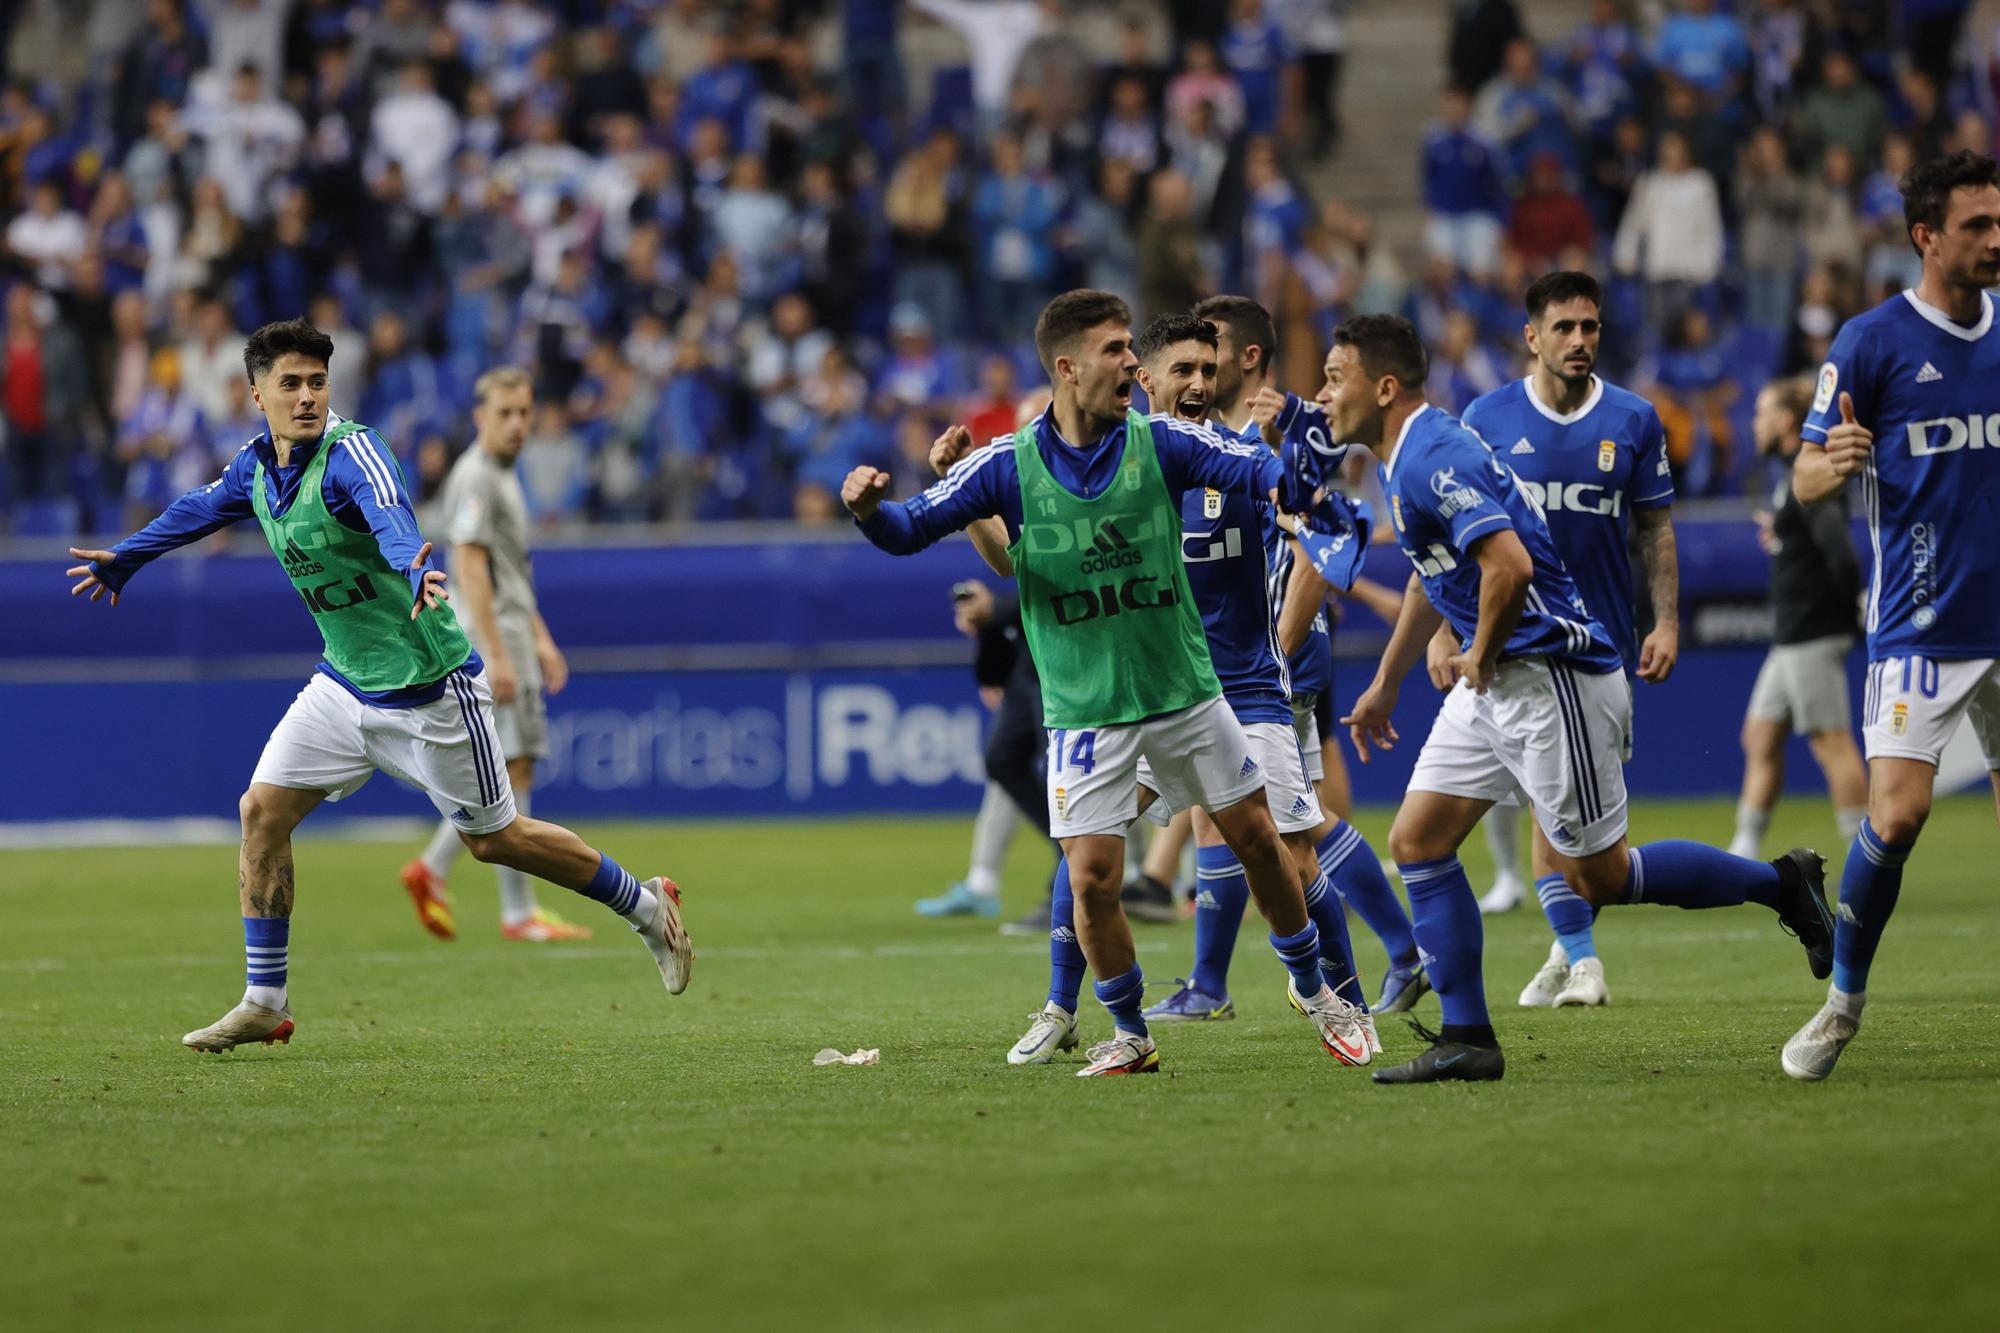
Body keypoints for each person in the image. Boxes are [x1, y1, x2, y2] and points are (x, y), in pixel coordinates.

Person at [64, 320, 691, 1053]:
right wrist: (128, 558)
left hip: (431, 689)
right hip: (342, 686)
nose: (306, 397)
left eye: (317, 382)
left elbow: (391, 511)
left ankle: (648, 906)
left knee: (496, 842)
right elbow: (200, 507)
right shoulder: (255, 467)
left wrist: (415, 566)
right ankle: (265, 998)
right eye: (290, 383)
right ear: (255, 393)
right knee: (261, 811)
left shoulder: (352, 452)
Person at [843, 289, 1348, 1077]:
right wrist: (870, 509)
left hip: (1185, 690)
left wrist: (1293, 470)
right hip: (1086, 711)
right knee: (1090, 878)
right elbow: (909, 527)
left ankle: (1320, 994)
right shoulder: (1004, 464)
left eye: (1129, 348)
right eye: (1116, 350)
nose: (1129, 365)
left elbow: (1254, 472)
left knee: (1258, 839)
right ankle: (1128, 1029)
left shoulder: (1165, 444)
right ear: (1068, 368)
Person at [1328, 314, 1834, 1084]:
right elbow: (1438, 576)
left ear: (1384, 386)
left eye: (1337, 378)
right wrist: (1386, 682)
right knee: (1418, 839)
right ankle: (1467, 1036)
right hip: (1497, 679)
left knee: (1597, 874)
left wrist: (1480, 651)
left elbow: (1510, 566)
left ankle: (1782, 884)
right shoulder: (1404, 456)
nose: (1326, 394)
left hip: (1549, 674)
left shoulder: (1433, 452)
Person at [1140, 295, 1424, 1021]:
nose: (1198, 370)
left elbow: (1317, 549)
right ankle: (1213, 981)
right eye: (1187, 359)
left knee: (1296, 827)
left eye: (1212, 354)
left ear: (1248, 359)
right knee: (1234, 819)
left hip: (1267, 657)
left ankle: (1395, 955)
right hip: (1230, 660)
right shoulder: (1210, 434)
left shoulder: (1265, 442)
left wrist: (1280, 648)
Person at [1781, 150, 2000, 1081]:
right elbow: (1801, 477)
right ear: (1926, 237)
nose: (1995, 238)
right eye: (1977, 226)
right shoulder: (1870, 343)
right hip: (1919, 621)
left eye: (1998, 220)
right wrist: (1832, 461)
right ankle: (1842, 1002)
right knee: (1899, 816)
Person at [1453, 271, 1680, 1013]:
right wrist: (1447, 631)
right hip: (1516, 653)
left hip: (1597, 651)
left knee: (1580, 834)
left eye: (1590, 328)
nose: (1579, 340)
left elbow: (1655, 529)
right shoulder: (1485, 419)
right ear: (1532, 336)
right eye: (1564, 328)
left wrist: (1667, 621)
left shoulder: (1635, 418)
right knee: (1545, 820)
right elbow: (1458, 538)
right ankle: (1576, 957)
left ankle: (1569, 952)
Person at [397, 367, 588, 943]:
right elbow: (472, 566)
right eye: (505, 413)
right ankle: (513, 910)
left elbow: (509, 572)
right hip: (493, 636)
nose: (517, 423)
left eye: (525, 412)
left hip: (509, 631)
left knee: (508, 767)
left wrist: (542, 638)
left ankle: (439, 872)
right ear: (480, 417)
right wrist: (499, 655)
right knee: (511, 768)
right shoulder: (478, 476)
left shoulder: (503, 475)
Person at [1730, 376, 1867, 861]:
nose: (1755, 421)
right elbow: (1813, 538)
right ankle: (1744, 848)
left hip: (1813, 632)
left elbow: (1841, 552)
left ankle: (1863, 859)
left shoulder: (1808, 479)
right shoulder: (1789, 480)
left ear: (1787, 422)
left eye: (1763, 411)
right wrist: (1783, 534)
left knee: (1832, 743)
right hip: (1792, 637)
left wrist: (1851, 606)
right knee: (1760, 736)